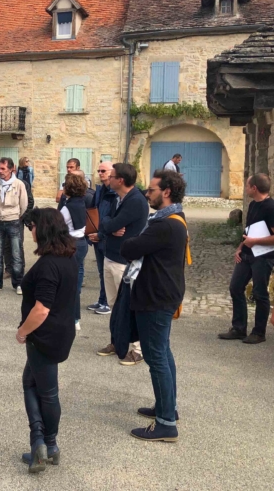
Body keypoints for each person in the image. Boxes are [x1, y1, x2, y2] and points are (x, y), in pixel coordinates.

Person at [121, 170, 188, 442]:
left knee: (156, 357)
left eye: (151, 190)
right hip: (163, 294)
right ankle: (166, 407)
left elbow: (129, 248)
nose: (147, 194)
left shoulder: (164, 225)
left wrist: (130, 239)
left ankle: (166, 424)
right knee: (163, 353)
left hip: (156, 297)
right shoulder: (174, 218)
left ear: (167, 192)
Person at [15, 208, 78, 473]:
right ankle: (44, 444)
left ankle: (43, 443)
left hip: (44, 335)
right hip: (61, 332)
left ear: (42, 229)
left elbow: (42, 309)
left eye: (33, 226)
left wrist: (23, 331)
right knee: (31, 382)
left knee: (47, 391)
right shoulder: (69, 257)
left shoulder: (49, 265)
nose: (31, 230)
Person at [95, 163, 149, 367]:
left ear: (121, 180)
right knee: (114, 306)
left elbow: (110, 223)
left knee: (128, 306)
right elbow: (104, 221)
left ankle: (138, 349)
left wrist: (109, 224)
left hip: (124, 261)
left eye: (112, 176)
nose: (108, 178)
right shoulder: (118, 198)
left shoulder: (135, 201)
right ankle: (117, 342)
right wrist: (109, 225)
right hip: (111, 255)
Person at [220, 173, 274, 344]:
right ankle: (238, 328)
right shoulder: (252, 204)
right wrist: (240, 247)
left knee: (260, 293)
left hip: (263, 257)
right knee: (235, 287)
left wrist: (255, 241)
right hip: (246, 254)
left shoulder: (271, 207)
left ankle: (259, 332)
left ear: (254, 188)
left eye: (247, 185)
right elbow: (248, 230)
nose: (245, 188)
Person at [0, 157, 29, 295]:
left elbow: (24, 204)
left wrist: (15, 215)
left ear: (11, 169)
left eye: (3, 168)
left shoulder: (19, 184)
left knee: (16, 254)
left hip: (13, 221)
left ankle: (19, 283)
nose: (0, 171)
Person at [59, 173, 89, 331]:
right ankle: (74, 317)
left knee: (69, 283)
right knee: (75, 281)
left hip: (71, 244)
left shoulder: (67, 207)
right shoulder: (81, 202)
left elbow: (58, 225)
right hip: (82, 243)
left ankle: (74, 317)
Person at [87, 162, 116, 313]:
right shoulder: (100, 190)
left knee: (109, 272)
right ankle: (102, 300)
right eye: (98, 170)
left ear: (112, 172)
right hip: (98, 236)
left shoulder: (115, 193)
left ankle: (108, 303)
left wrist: (102, 234)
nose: (100, 173)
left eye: (103, 170)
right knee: (101, 271)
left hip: (108, 238)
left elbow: (113, 218)